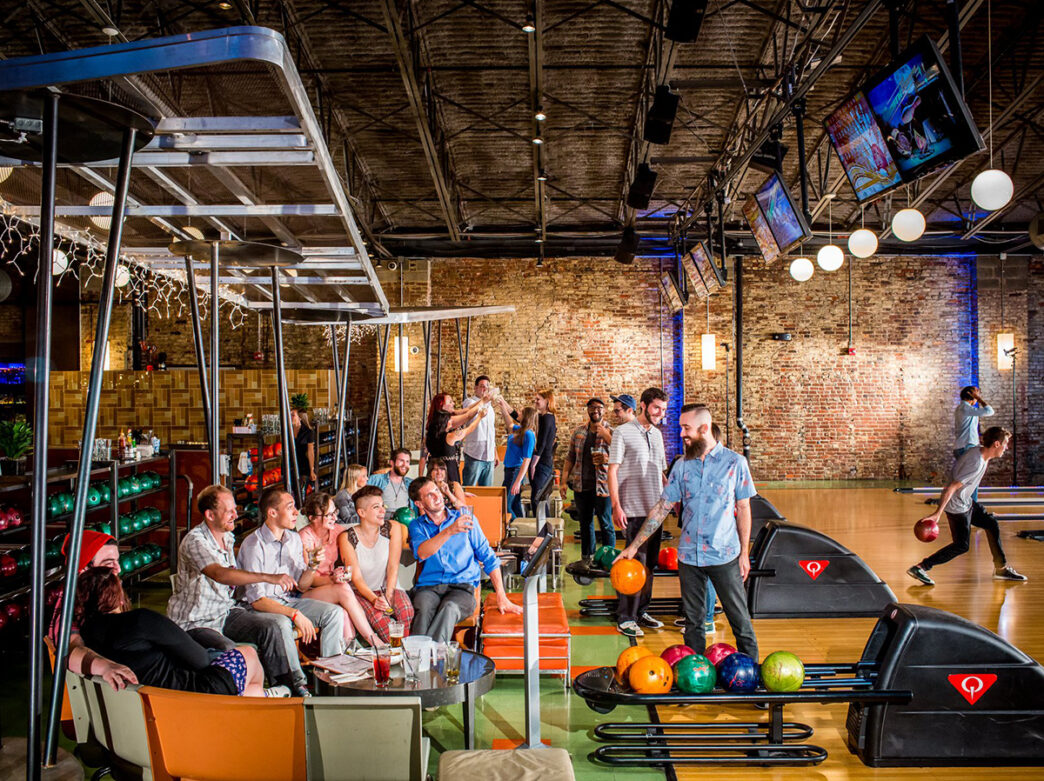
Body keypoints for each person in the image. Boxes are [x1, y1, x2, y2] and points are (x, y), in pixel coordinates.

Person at [618, 405, 758, 657]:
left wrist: (744, 554)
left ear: (704, 429)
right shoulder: (682, 466)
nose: (681, 433)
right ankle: (696, 671)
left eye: (686, 428)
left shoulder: (735, 463)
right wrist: (633, 547)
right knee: (693, 623)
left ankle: (753, 671)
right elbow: (662, 508)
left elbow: (744, 508)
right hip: (689, 558)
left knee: (740, 620)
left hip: (723, 555)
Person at [167, 485, 322, 697]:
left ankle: (290, 688)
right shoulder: (196, 541)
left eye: (235, 509)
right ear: (210, 515)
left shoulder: (228, 537)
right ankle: (253, 697)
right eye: (229, 511)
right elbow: (220, 574)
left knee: (273, 626)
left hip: (225, 612)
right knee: (235, 654)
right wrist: (268, 577)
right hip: (196, 622)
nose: (235, 514)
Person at [77, 567, 278, 697]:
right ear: (119, 598)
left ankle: (261, 697)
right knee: (247, 654)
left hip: (150, 704)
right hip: (189, 695)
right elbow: (200, 659)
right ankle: (263, 702)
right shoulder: (140, 620)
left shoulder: (84, 636)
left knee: (251, 690)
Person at [237, 487, 346, 685]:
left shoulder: (293, 539)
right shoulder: (254, 545)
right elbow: (257, 601)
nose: (296, 512)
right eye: (290, 507)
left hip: (288, 600)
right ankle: (297, 682)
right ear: (272, 513)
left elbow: (302, 587)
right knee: (281, 623)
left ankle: (331, 674)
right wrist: (294, 614)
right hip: (260, 608)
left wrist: (312, 566)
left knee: (334, 613)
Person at [908, 426, 1026, 586]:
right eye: (1005, 444)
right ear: (997, 444)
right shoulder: (975, 462)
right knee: (961, 545)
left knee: (991, 523)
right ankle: (921, 567)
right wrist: (937, 513)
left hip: (966, 502)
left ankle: (1001, 568)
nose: (1006, 448)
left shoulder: (980, 453)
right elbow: (951, 487)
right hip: (957, 507)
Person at [407, 476, 521, 641]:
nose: (437, 496)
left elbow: (488, 557)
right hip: (429, 587)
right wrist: (449, 531)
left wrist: (501, 596)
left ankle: (432, 654)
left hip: (462, 588)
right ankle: (420, 654)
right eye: (429, 495)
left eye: (436, 490)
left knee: (449, 608)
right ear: (419, 503)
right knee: (423, 608)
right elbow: (422, 553)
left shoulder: (465, 518)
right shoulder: (417, 525)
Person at [608, 387, 669, 637]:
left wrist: (671, 497)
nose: (660, 413)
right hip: (632, 508)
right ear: (643, 405)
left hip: (656, 511)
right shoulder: (622, 432)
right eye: (656, 408)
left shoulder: (657, 435)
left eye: (663, 410)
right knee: (634, 563)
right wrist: (616, 505)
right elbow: (612, 470)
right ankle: (626, 617)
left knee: (650, 565)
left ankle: (641, 611)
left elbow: (660, 472)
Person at [48, 530, 138, 690]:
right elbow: (70, 649)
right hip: (108, 689)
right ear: (84, 569)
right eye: (109, 563)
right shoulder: (70, 604)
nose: (118, 569)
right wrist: (105, 667)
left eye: (117, 561)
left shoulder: (104, 592)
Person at [299, 492, 381, 647]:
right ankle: (373, 641)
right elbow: (307, 581)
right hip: (305, 593)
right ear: (312, 518)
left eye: (335, 512)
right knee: (343, 588)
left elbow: (357, 535)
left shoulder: (336, 531)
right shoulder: (304, 538)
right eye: (328, 515)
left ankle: (350, 651)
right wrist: (332, 579)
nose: (334, 518)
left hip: (330, 588)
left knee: (343, 612)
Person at [340, 485, 415, 643]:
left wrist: (388, 595)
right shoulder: (346, 538)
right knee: (384, 623)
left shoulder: (393, 528)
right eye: (376, 507)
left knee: (406, 611)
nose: (383, 511)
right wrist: (375, 600)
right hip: (362, 592)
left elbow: (393, 567)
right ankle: (395, 652)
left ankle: (404, 650)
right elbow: (356, 578)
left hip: (388, 587)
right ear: (362, 513)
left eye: (383, 506)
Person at [560, 398, 615, 565]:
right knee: (585, 524)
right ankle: (587, 559)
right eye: (591, 407)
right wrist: (563, 482)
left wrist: (606, 438)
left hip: (603, 486)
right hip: (581, 486)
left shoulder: (612, 432)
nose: (595, 410)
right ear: (587, 410)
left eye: (599, 407)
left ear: (604, 410)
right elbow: (570, 458)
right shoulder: (578, 432)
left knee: (606, 524)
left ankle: (609, 559)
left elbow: (622, 456)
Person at [503, 389, 558, 508]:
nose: (535, 401)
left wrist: (533, 464)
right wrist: (504, 404)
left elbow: (542, 443)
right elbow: (519, 417)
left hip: (542, 463)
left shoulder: (548, 418)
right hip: (537, 462)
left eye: (538, 399)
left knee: (537, 499)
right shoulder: (540, 417)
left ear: (547, 401)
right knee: (534, 499)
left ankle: (544, 521)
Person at [425, 392, 491, 484]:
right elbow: (469, 424)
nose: (453, 403)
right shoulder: (450, 436)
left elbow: (467, 410)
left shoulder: (431, 431)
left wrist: (482, 401)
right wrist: (480, 416)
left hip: (434, 467)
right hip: (448, 469)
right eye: (450, 402)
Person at [954, 385, 995, 503]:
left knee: (968, 480)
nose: (978, 396)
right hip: (967, 447)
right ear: (971, 396)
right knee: (972, 480)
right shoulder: (966, 409)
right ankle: (972, 507)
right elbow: (989, 411)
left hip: (963, 446)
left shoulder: (962, 409)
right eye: (976, 394)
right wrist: (979, 398)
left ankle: (966, 506)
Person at [498, 403, 537, 520]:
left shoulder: (529, 434)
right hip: (509, 470)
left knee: (505, 504)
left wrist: (518, 482)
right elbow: (510, 425)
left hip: (515, 471)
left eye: (521, 412)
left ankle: (515, 525)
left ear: (526, 417)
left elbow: (527, 460)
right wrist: (503, 407)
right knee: (515, 504)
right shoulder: (520, 430)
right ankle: (521, 526)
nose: (518, 413)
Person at [461, 376, 498, 486]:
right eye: (482, 386)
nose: (485, 389)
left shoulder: (490, 408)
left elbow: (491, 432)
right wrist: (484, 400)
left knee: (487, 491)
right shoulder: (469, 402)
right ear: (475, 388)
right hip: (474, 454)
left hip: (489, 456)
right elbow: (469, 412)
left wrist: (495, 453)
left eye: (487, 386)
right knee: (469, 487)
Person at [367, 449, 413, 520]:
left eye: (407, 461)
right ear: (391, 462)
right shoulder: (376, 479)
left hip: (405, 521)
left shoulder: (411, 483)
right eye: (401, 461)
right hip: (381, 520)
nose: (404, 465)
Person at [291, 408, 316, 488]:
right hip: (289, 466)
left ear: (300, 418)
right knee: (290, 491)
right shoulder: (287, 430)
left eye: (293, 415)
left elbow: (310, 452)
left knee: (302, 491)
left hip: (303, 467)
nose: (290, 417)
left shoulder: (308, 432)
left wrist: (312, 470)